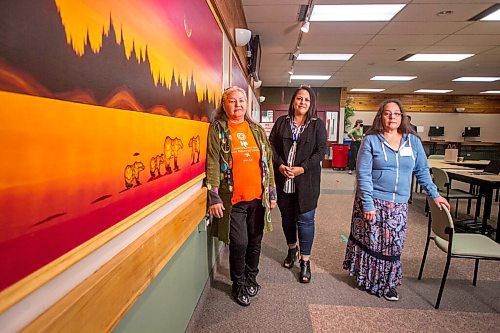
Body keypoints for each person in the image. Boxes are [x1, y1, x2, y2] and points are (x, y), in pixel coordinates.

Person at [343, 98, 450, 301]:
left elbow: (423, 171)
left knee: (394, 245)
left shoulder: (413, 141)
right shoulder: (371, 140)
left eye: (397, 113)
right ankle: (369, 279)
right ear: (380, 117)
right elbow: (363, 174)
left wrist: (434, 194)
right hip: (373, 200)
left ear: (403, 117)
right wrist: (367, 203)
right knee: (373, 242)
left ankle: (388, 284)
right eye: (387, 113)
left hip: (399, 204)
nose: (392, 117)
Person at [206, 86, 277, 306]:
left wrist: (272, 192)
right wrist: (214, 196)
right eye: (232, 101)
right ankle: (238, 284)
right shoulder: (218, 129)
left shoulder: (255, 129)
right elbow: (213, 163)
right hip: (234, 200)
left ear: (247, 104)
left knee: (255, 241)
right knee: (239, 243)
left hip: (258, 197)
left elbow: (267, 163)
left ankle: (250, 277)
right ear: (224, 104)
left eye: (242, 100)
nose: (238, 105)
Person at [269, 86, 327, 283]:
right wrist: (280, 166)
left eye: (307, 100)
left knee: (306, 219)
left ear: (311, 104)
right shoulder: (281, 123)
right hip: (284, 180)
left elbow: (320, 152)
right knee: (287, 218)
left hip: (307, 181)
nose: (303, 102)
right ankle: (292, 249)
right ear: (293, 101)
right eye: (299, 98)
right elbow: (271, 148)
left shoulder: (317, 125)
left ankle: (305, 261)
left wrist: (302, 168)